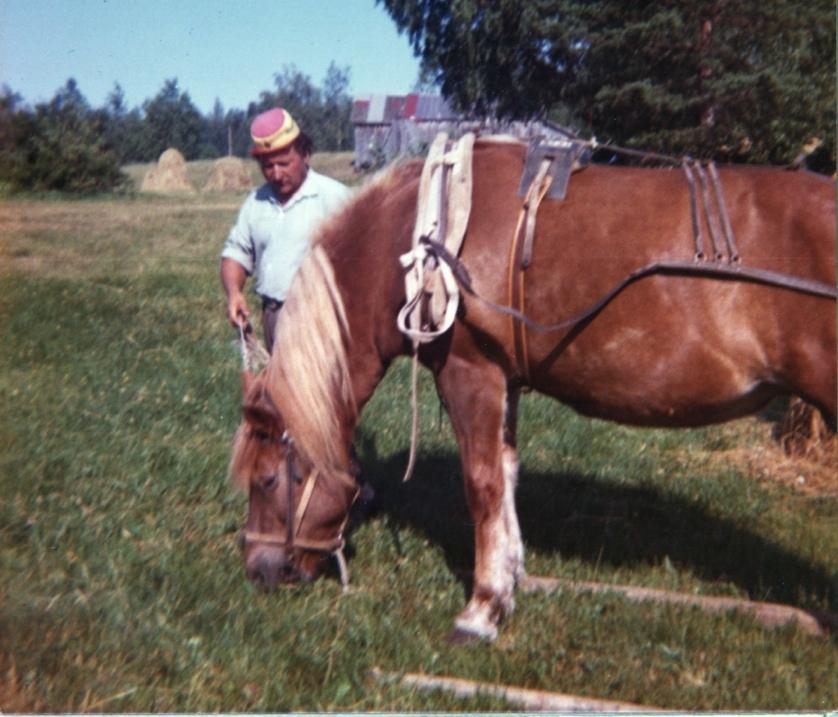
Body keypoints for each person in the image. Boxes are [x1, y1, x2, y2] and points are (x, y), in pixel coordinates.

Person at [220, 107, 351, 352]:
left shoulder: (334, 198)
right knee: (279, 390)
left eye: (284, 163)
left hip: (318, 320)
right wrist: (234, 293)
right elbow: (236, 253)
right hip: (272, 315)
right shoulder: (256, 202)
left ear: (305, 154)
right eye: (268, 166)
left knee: (317, 391)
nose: (277, 174)